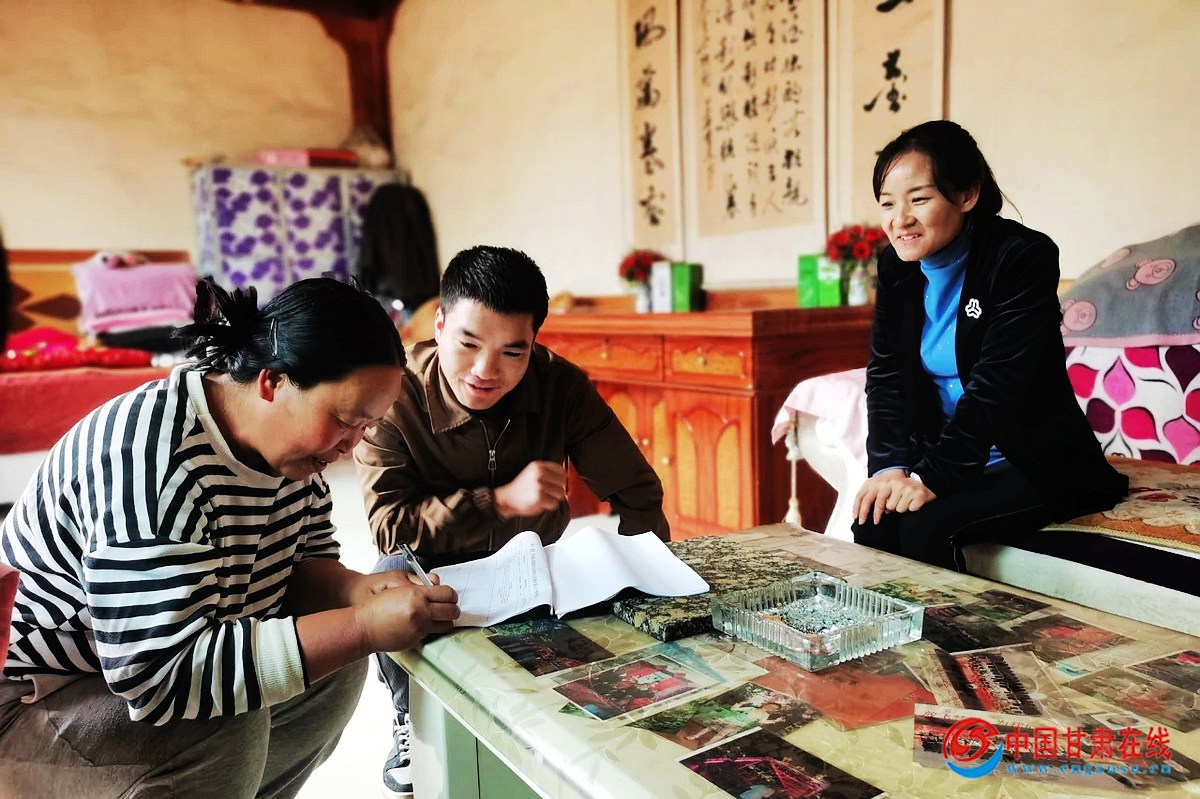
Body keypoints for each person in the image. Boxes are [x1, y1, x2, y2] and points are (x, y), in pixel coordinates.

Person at [0, 277, 459, 799]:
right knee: (226, 718)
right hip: (37, 702)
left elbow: (301, 565)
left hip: (118, 678)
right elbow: (160, 677)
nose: (350, 448)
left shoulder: (290, 457)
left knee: (332, 669)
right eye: (342, 420)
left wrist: (355, 591)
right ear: (272, 382)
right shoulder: (157, 464)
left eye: (366, 428)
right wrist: (362, 627)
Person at [355, 244, 668, 797]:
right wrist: (497, 500)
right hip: (434, 570)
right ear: (440, 323)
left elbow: (636, 491)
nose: (485, 371)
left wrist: (653, 584)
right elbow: (391, 526)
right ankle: (408, 714)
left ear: (534, 344)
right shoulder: (393, 391)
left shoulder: (560, 385)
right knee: (384, 580)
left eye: (512, 352)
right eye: (468, 343)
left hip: (533, 564)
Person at [851, 119, 1127, 570]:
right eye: (887, 203)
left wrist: (932, 477)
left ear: (966, 195)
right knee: (873, 523)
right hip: (949, 453)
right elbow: (886, 377)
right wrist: (889, 468)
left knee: (925, 527)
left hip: (1029, 457)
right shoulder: (896, 267)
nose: (899, 220)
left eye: (919, 199)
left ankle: (954, 621)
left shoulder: (1021, 257)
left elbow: (998, 384)